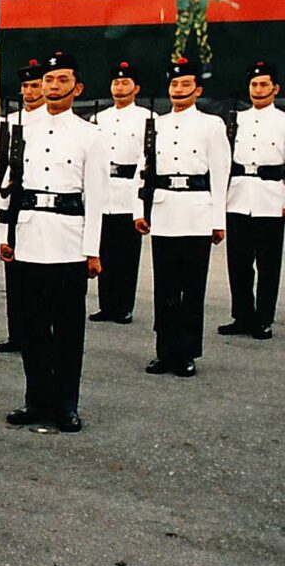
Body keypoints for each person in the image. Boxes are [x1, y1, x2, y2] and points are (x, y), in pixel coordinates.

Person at [0, 52, 105, 433]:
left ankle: (65, 403)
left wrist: (92, 250)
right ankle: (36, 399)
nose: (53, 87)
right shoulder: (18, 128)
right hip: (27, 235)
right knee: (31, 326)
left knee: (67, 328)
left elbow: (96, 196)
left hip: (68, 241)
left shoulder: (90, 134)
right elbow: (6, 188)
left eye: (62, 80)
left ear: (77, 88)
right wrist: (2, 235)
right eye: (48, 80)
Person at [135, 58, 231, 378]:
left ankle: (187, 351)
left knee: (191, 288)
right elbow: (143, 170)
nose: (178, 90)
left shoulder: (211, 125)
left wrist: (219, 220)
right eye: (174, 85)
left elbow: (220, 173)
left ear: (197, 89)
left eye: (185, 85)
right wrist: (140, 211)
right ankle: (164, 352)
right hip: (164, 211)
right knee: (164, 288)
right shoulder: (156, 124)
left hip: (196, 212)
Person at [219, 60, 285, 340]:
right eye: (254, 84)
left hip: (271, 197)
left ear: (275, 88)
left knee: (268, 263)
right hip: (238, 195)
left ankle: (263, 318)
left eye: (264, 85)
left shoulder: (283, 120)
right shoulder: (235, 120)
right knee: (239, 261)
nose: (258, 90)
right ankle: (242, 315)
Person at [90, 61, 153, 324]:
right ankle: (106, 304)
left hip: (129, 191)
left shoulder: (147, 118)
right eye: (116, 83)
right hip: (104, 190)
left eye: (125, 83)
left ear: (136, 88)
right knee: (103, 249)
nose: (120, 87)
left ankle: (124, 305)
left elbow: (146, 159)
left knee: (126, 253)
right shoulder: (98, 118)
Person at [0, 58, 46, 353]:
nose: (29, 91)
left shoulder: (50, 121)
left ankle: (34, 333)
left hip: (39, 206)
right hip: (12, 204)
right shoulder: (10, 123)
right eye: (25, 86)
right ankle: (17, 333)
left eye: (34, 85)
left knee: (34, 278)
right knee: (15, 273)